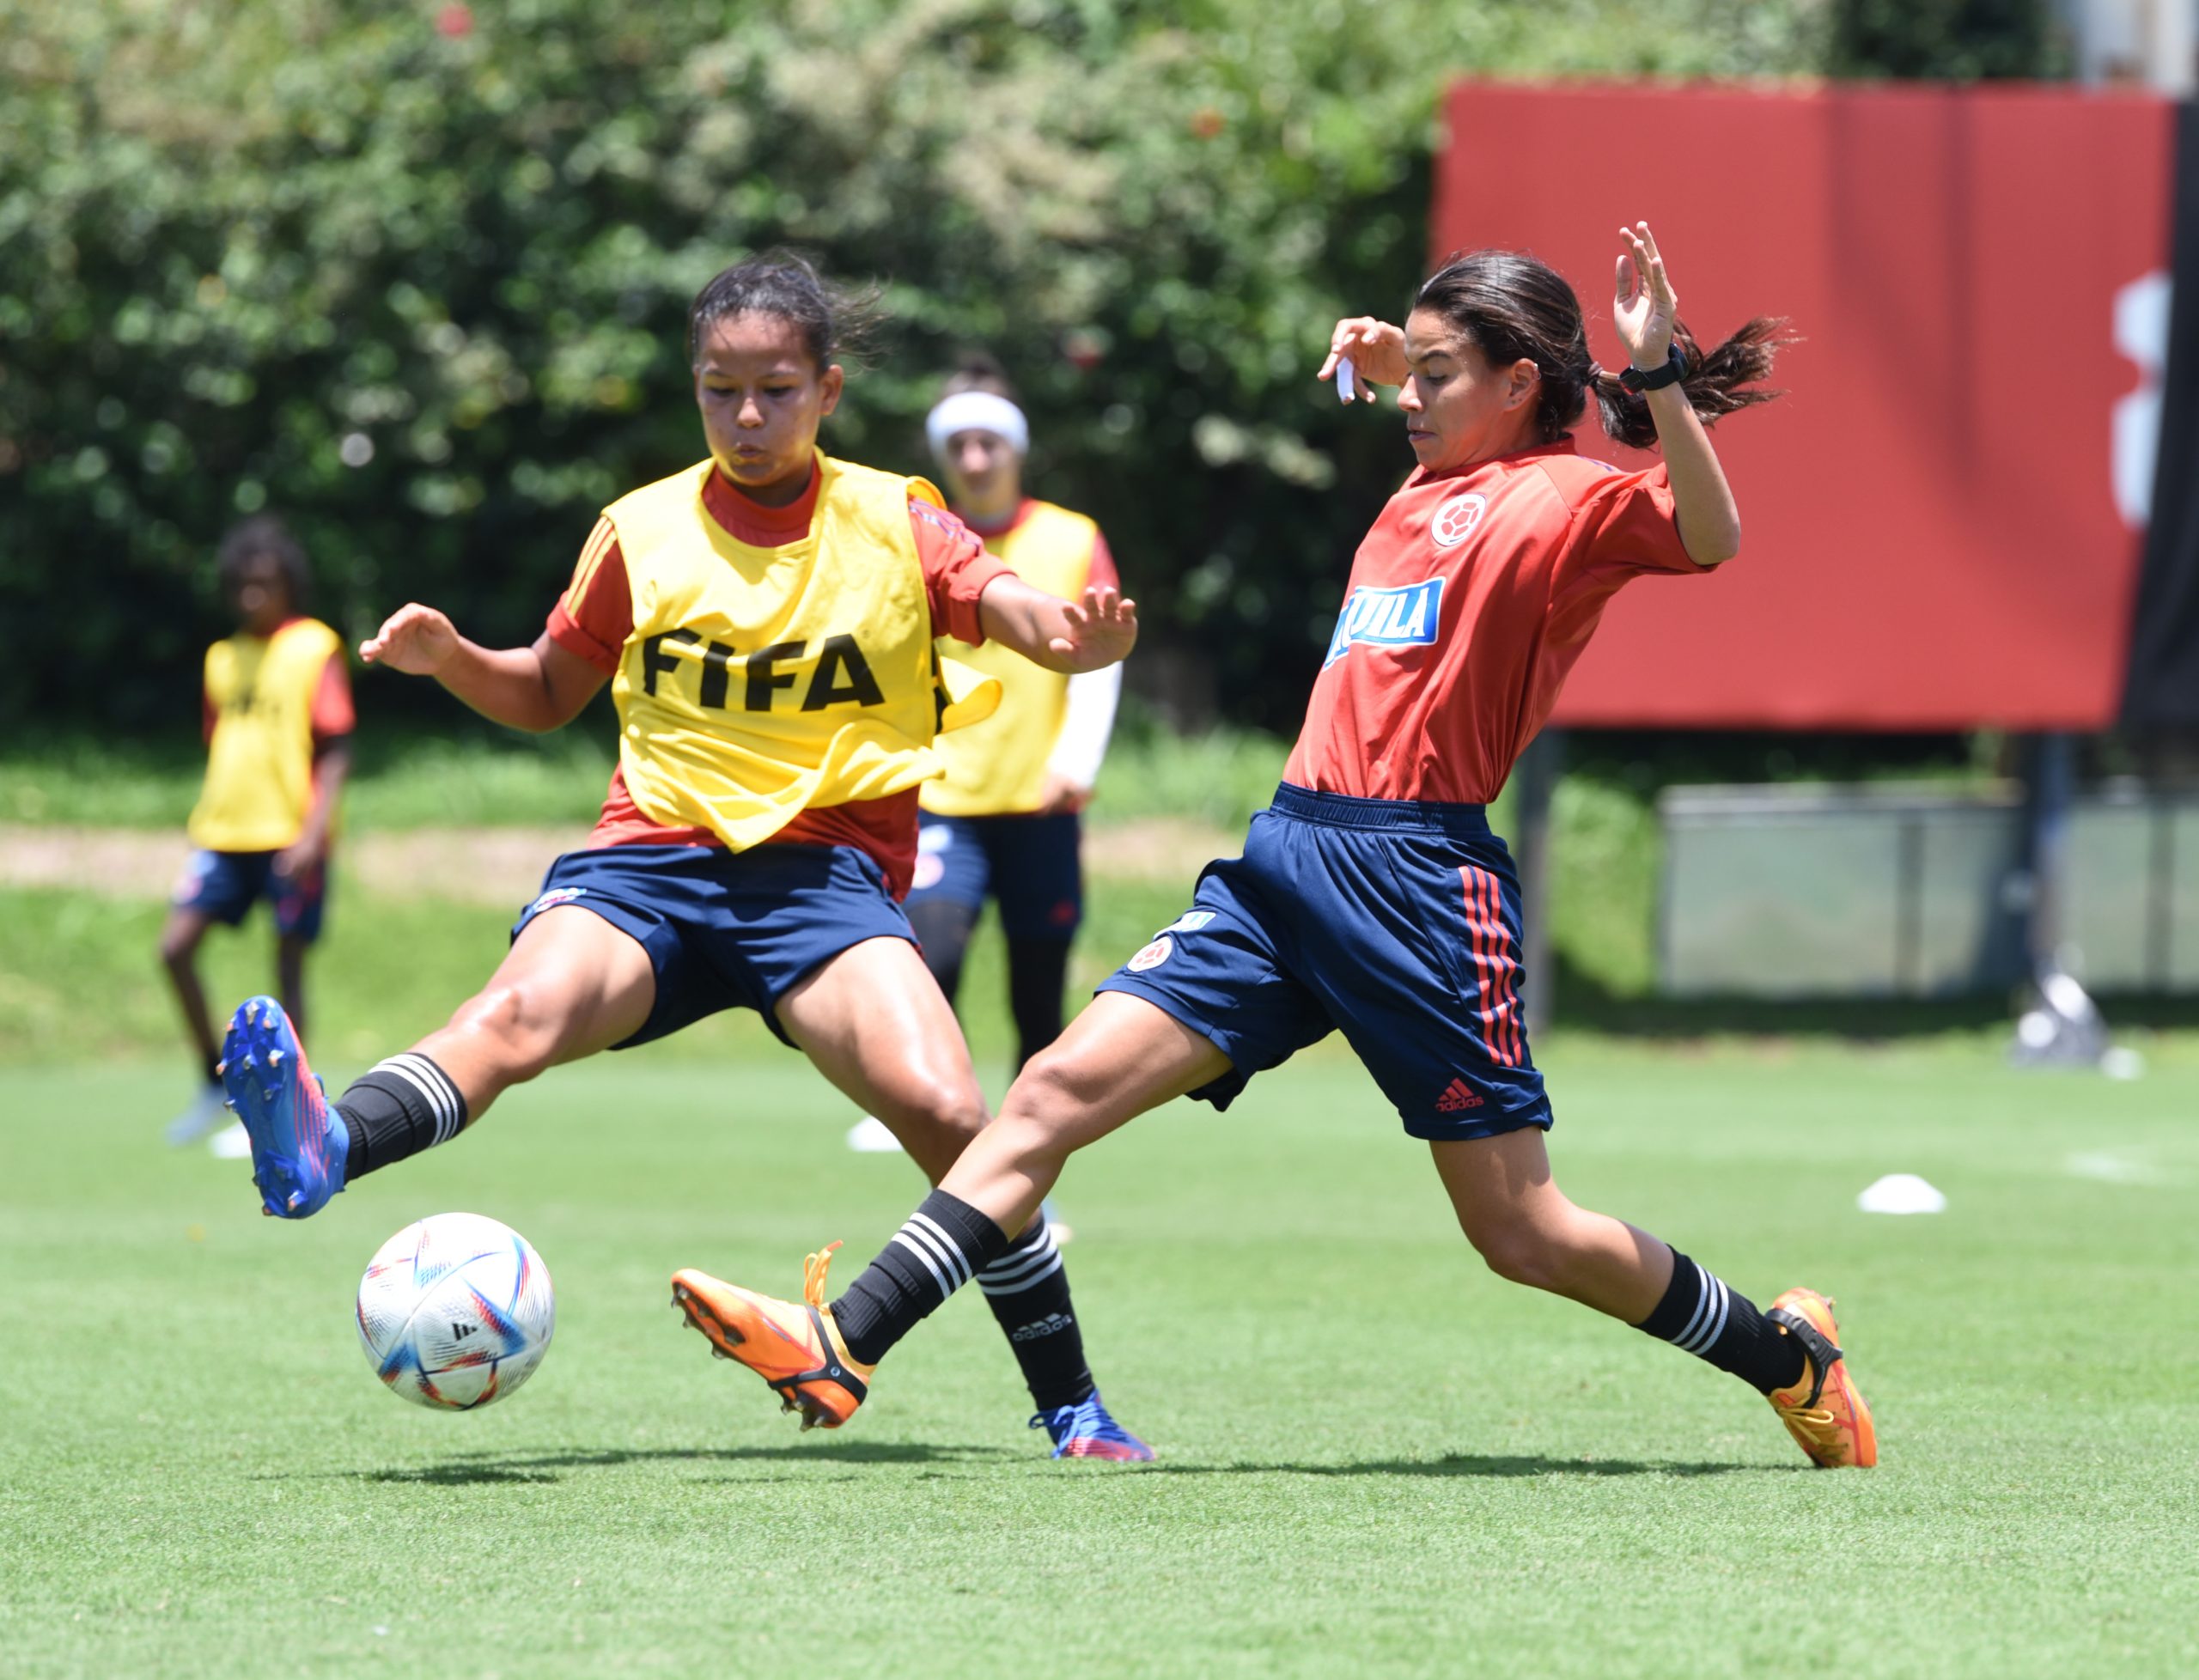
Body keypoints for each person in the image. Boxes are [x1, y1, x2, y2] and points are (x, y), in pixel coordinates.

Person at [688, 225, 1877, 1470]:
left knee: (1524, 1234)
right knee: (1045, 1096)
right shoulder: (1433, 475)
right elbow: (1439, 419)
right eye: (1405, 375)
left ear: (1518, 386)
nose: (1407, 400)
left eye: (1435, 376)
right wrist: (1390, 358)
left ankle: (1784, 1355)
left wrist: (1662, 379)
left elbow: (1711, 534)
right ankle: (848, 1341)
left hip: (1418, 886)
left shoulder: (1564, 498)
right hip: (1287, 860)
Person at [216, 252, 1154, 1460]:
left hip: (821, 882)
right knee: (510, 1019)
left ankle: (1070, 1398)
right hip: (651, 864)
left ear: (827, 389)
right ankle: (327, 1145)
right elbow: (552, 688)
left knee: (950, 1107)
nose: (747, 416)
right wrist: (456, 657)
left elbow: (1010, 603)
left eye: (774, 390)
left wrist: (1069, 643)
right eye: (720, 391)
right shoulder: (642, 530)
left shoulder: (893, 518)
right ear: (695, 390)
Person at [845, 356, 1122, 1158]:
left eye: (988, 443)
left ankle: (1033, 1132)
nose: (974, 459)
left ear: (1016, 449)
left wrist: (1077, 759)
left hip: (1041, 801)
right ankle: (923, 1105)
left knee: (1039, 986)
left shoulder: (1071, 537)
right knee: (936, 955)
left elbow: (1101, 656)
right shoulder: (916, 539)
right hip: (941, 795)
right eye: (959, 444)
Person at [161, 515, 353, 1147]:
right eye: (243, 585)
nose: (252, 596)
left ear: (288, 586)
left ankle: (283, 1117)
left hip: (289, 836)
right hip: (222, 833)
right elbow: (222, 744)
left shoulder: (313, 646)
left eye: (265, 584)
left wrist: (312, 832)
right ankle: (214, 1086)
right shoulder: (221, 657)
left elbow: (335, 748)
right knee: (176, 948)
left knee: (288, 967)